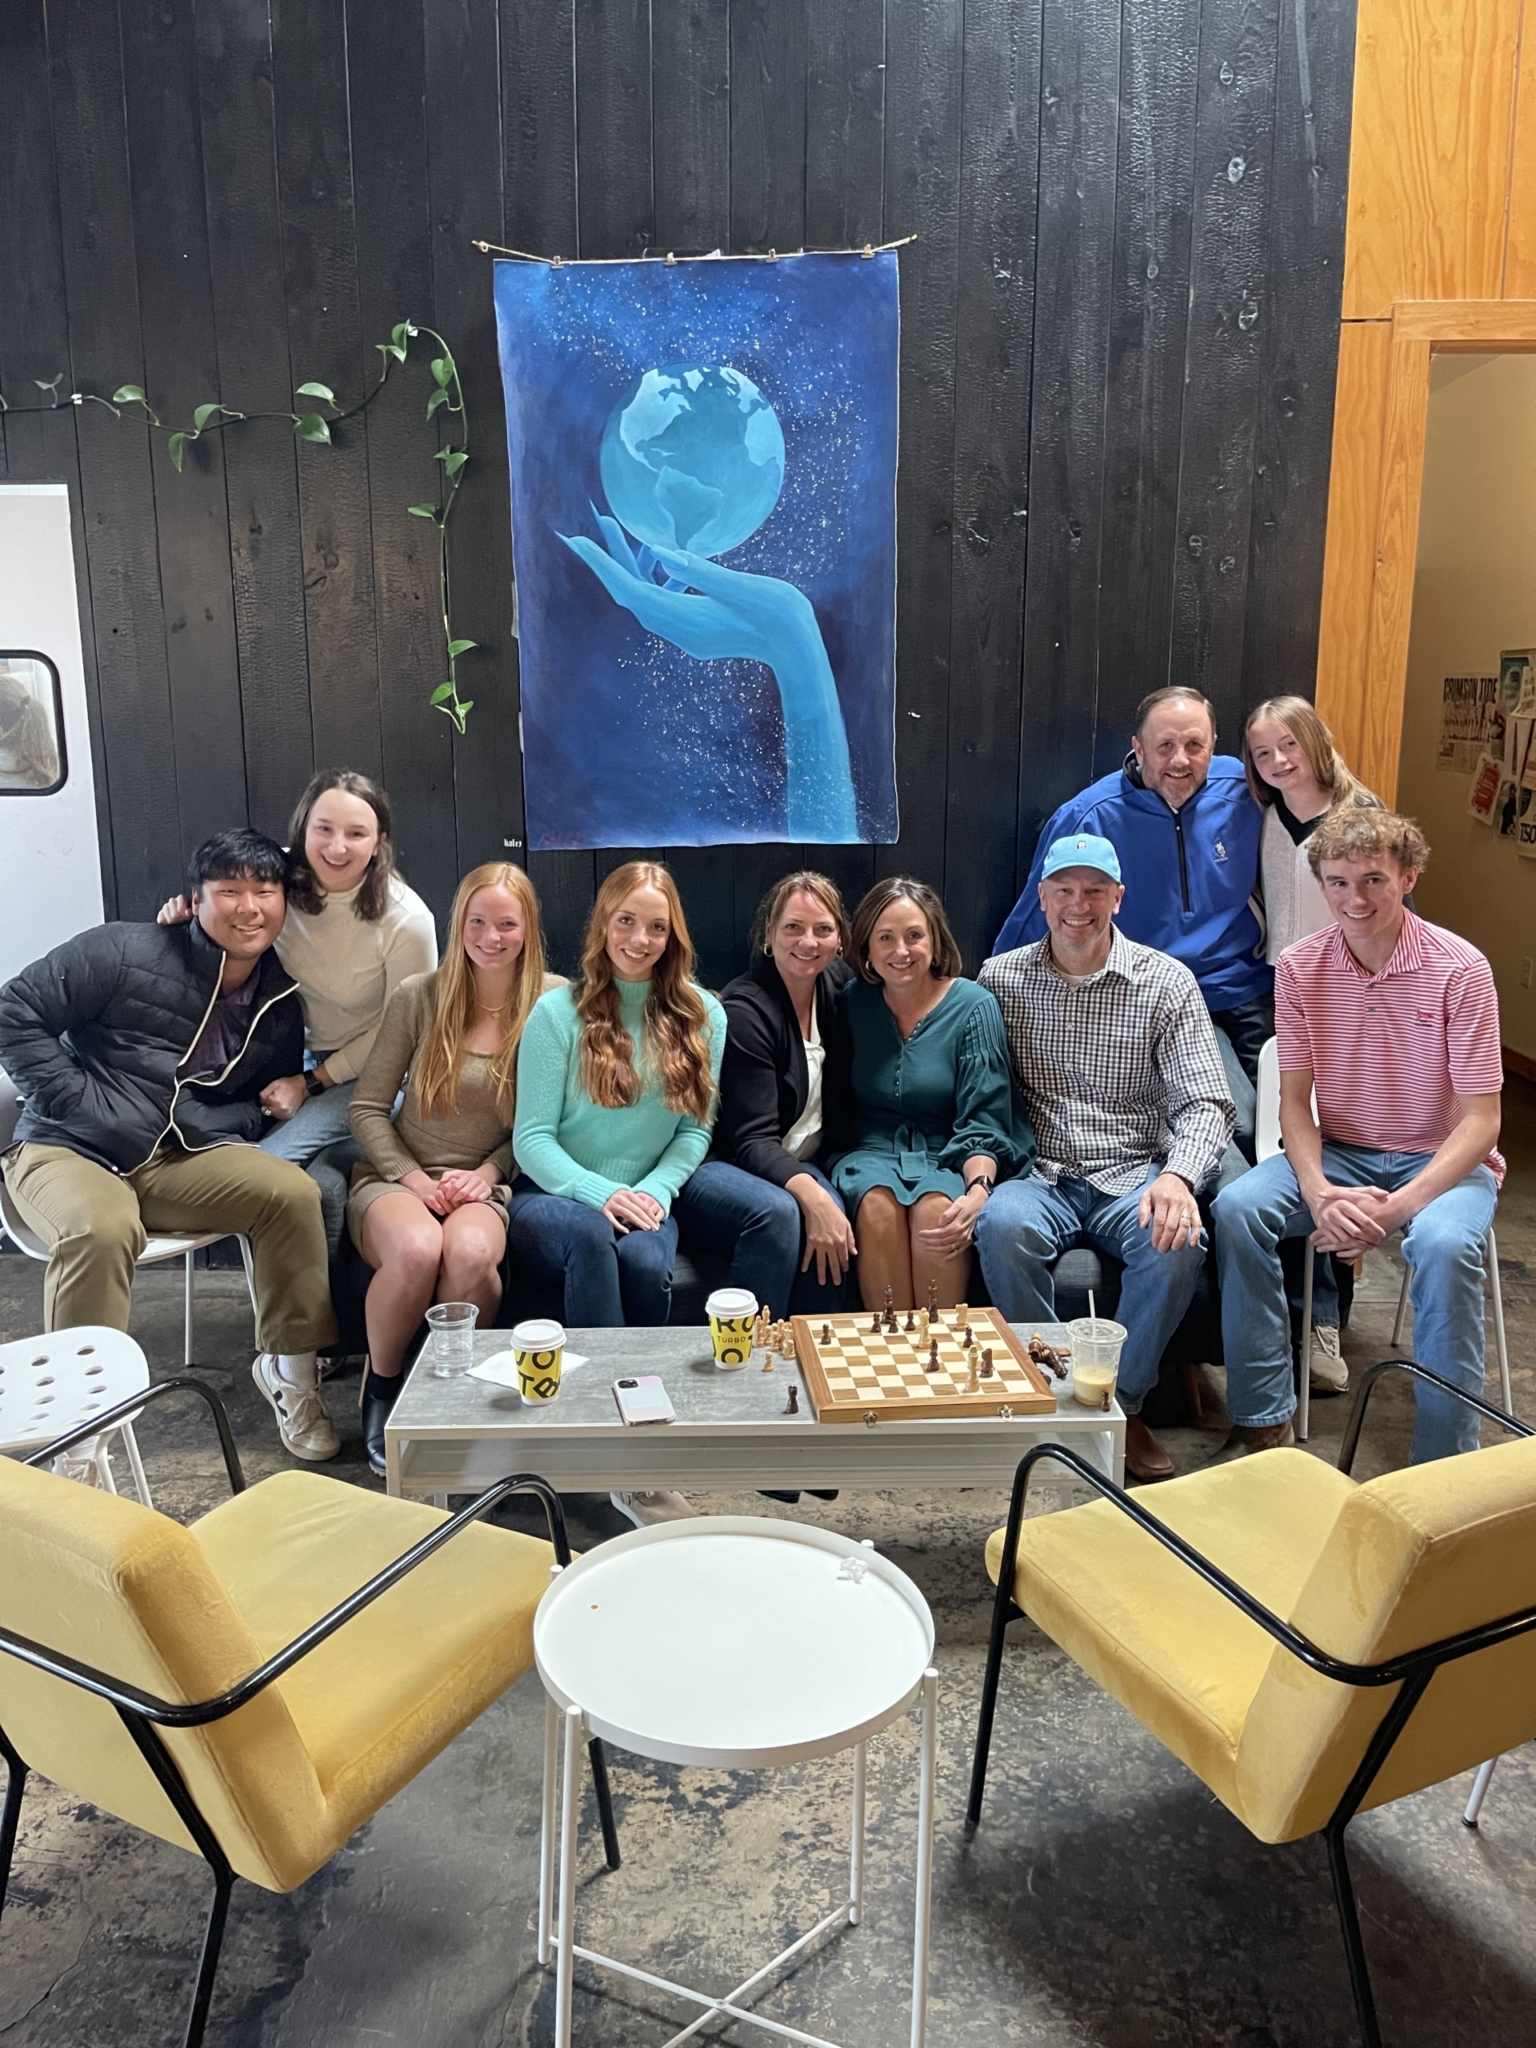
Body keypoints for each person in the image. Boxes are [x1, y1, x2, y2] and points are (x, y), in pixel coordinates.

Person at [0, 829, 340, 1462]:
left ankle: (291, 1375)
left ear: (284, 902)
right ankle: (79, 1438)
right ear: (195, 899)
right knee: (103, 1229)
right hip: (66, 1146)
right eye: (229, 891)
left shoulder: (278, 999)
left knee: (293, 1194)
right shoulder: (123, 950)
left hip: (172, 1155)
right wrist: (78, 1101)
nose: (249, 907)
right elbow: (12, 1011)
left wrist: (262, 1106)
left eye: (264, 891)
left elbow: (250, 1101)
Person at [1214, 810, 1504, 1463]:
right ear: (1321, 884)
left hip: (1444, 1160)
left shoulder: (1461, 968)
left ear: (1408, 877)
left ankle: (1443, 1461)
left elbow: (1482, 1120)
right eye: (1338, 882)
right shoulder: (1299, 966)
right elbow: (1292, 1103)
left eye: (1374, 879)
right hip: (1342, 1152)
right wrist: (1319, 1194)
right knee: (1237, 1209)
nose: (1355, 899)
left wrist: (1396, 1210)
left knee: (1441, 1243)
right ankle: (1263, 1418)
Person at [976, 835, 1235, 1482]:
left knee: (1178, 1239)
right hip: (1040, 1172)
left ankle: (1118, 1405)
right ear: (1042, 898)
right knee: (1001, 1225)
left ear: (1118, 898)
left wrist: (1179, 1177)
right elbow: (975, 1091)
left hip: (1134, 1172)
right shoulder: (999, 980)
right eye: (1064, 890)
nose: (1078, 904)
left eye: (1095, 890)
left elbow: (1207, 1101)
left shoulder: (1167, 982)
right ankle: (1050, 1394)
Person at [508, 862, 725, 1524]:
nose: (640, 939)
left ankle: (638, 1440)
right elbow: (532, 1140)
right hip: (556, 1196)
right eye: (626, 921)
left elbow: (694, 1132)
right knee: (591, 1236)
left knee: (643, 1258)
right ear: (603, 923)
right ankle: (613, 1462)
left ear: (673, 935)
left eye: (657, 927)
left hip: (644, 1198)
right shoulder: (557, 1014)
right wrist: (601, 1193)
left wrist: (654, 1191)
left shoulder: (704, 1014)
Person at [159, 770, 438, 1251]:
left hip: (378, 1075)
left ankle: (155, 1206)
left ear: (379, 843)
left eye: (356, 833)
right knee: (320, 1183)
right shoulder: (273, 881)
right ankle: (315, 1303)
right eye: (323, 829)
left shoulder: (406, 920)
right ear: (303, 828)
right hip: (280, 1060)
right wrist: (183, 921)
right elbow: (221, 906)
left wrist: (311, 1082)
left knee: (265, 1167)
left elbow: (402, 1031)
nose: (337, 847)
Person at [347, 863, 560, 1472]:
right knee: (417, 1249)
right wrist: (413, 1178)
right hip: (400, 1176)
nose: (491, 937)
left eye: (507, 924)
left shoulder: (554, 1002)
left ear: (529, 928)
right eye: (478, 922)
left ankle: (447, 1392)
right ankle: (384, 1387)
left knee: (468, 1253)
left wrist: (489, 1175)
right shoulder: (418, 996)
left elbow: (551, 1120)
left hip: (486, 1182)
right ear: (459, 923)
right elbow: (366, 1108)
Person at [995, 688, 1269, 1147]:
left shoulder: (1245, 790)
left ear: (1214, 745)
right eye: (1165, 746)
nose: (1180, 760)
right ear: (1138, 749)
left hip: (1246, 987)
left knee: (1288, 1118)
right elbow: (1034, 921)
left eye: (1195, 745)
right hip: (1154, 997)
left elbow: (1319, 804)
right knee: (1237, 1124)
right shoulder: (1089, 816)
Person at [1243, 694, 1383, 1389]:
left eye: (1289, 746)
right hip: (1279, 998)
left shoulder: (1361, 815)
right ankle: (1295, 1315)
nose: (1278, 761)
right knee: (1283, 1157)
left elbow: (1387, 920)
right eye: (1263, 753)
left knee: (1336, 1150)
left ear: (1315, 741)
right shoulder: (1265, 816)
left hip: (1347, 1005)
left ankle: (1326, 1319)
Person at [833, 878, 1029, 1311]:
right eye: (886, 938)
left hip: (947, 1153)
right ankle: (888, 1346)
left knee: (938, 1211)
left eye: (914, 936)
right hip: (870, 1151)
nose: (901, 951)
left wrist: (979, 1189)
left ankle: (935, 1347)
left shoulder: (975, 1006)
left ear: (935, 940)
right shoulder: (852, 1001)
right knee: (877, 1206)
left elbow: (984, 1119)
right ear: (867, 947)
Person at [672, 872, 856, 1319]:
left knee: (838, 1215)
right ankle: (750, 1344)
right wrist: (813, 1196)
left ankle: (811, 1345)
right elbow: (752, 1140)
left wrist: (825, 1193)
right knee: (780, 1213)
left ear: (839, 940)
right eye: (793, 927)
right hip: (723, 1165)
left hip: (796, 1162)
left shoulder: (839, 988)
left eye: (823, 929)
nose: (808, 941)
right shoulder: (745, 1010)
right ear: (769, 935)